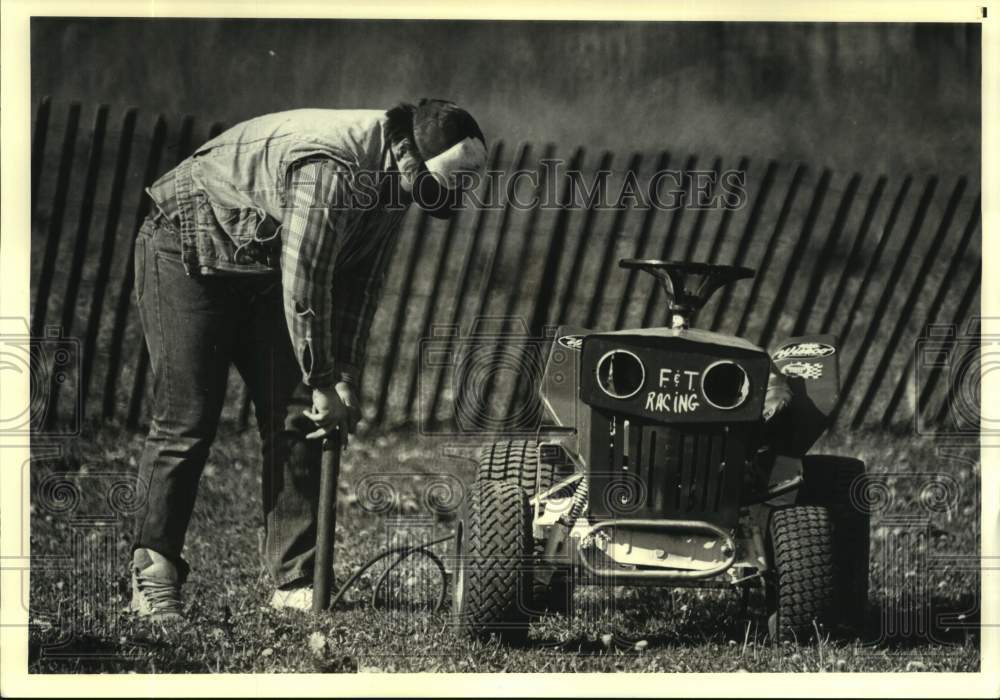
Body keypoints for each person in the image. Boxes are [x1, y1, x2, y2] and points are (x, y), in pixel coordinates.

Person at [128, 99, 488, 621]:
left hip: (259, 263)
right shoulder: (333, 167)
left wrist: (340, 378)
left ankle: (295, 579)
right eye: (438, 185)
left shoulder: (392, 183)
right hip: (188, 243)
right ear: (410, 156)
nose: (439, 199)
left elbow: (359, 284)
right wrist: (322, 378)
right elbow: (307, 281)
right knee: (187, 418)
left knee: (298, 414)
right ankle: (154, 576)